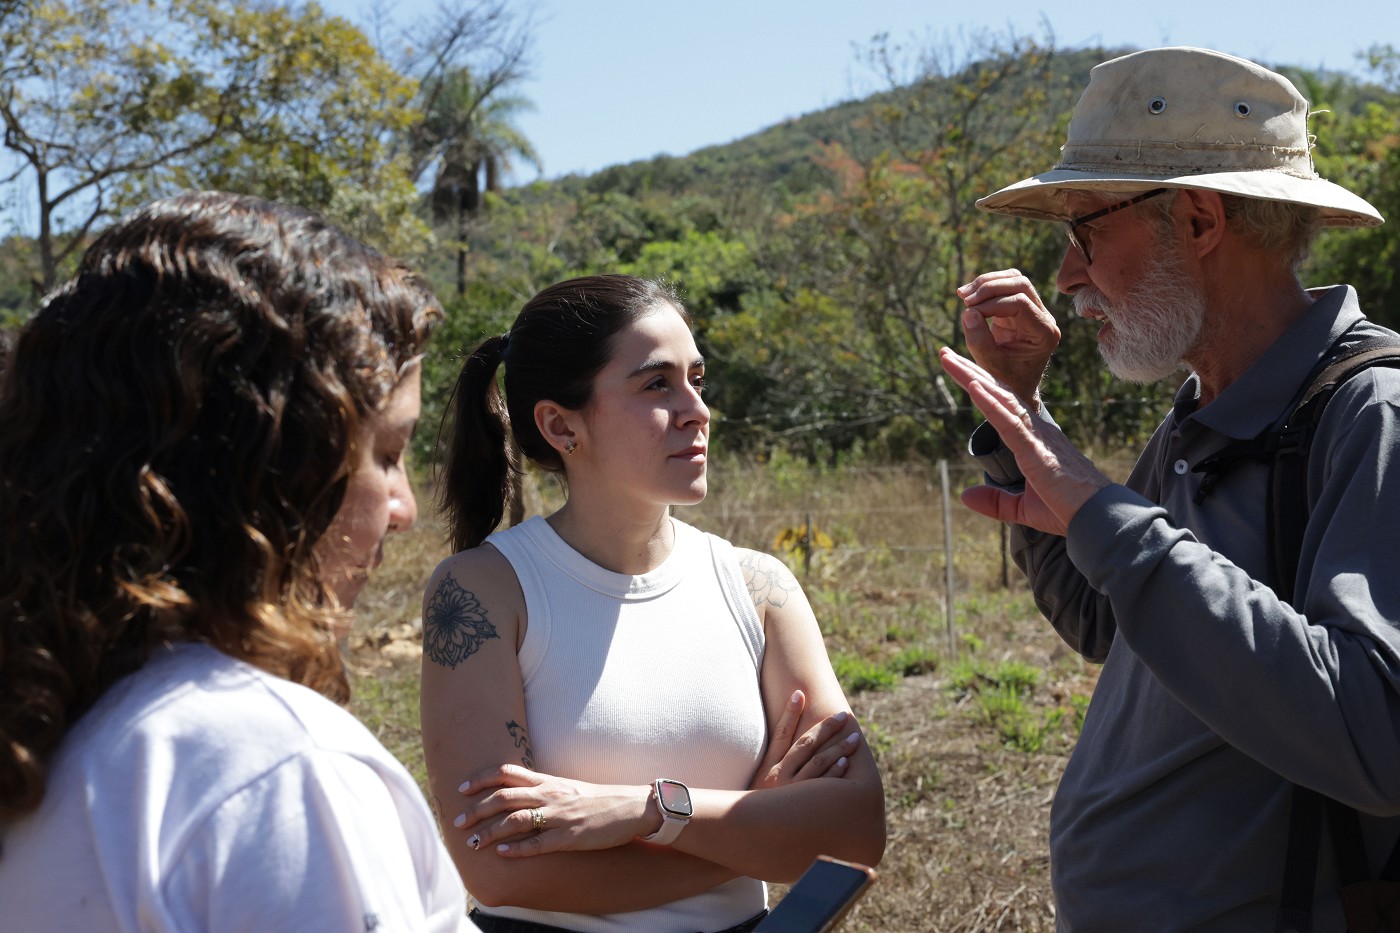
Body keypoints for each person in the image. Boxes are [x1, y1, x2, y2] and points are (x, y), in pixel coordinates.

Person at [937, 46, 1398, 931]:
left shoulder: (1370, 414)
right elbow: (1108, 619)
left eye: (1086, 230)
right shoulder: (1211, 409)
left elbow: (1374, 734)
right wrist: (1023, 425)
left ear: (1196, 220)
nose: (1068, 274)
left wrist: (1111, 518)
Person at [0, 191, 478, 932]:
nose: (405, 506)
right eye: (385, 453)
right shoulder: (272, 771)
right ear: (278, 467)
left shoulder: (47, 731)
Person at [420, 274, 886, 933]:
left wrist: (650, 809)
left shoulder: (760, 589)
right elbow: (500, 868)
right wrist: (749, 825)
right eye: (656, 384)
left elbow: (856, 829)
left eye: (697, 378)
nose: (697, 409)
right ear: (560, 424)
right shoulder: (484, 591)